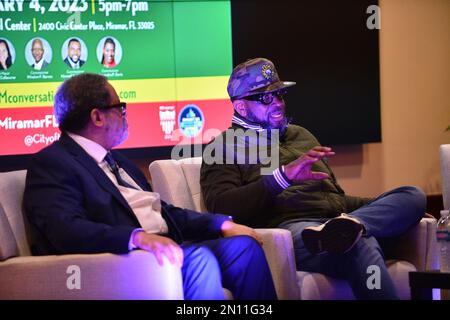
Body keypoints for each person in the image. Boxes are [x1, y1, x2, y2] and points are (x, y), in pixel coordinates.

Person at [23, 73, 277, 300]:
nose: (125, 114)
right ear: (97, 117)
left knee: (244, 248)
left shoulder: (118, 161)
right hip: (123, 261)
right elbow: (66, 230)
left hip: (168, 248)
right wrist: (137, 238)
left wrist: (220, 223)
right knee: (200, 259)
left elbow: (163, 211)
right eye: (119, 107)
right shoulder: (53, 163)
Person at [200, 58, 427, 300]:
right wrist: (282, 178)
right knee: (356, 241)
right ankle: (346, 230)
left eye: (280, 94)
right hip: (292, 232)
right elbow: (222, 207)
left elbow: (334, 200)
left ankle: (352, 225)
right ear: (242, 107)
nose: (277, 103)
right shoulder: (223, 147)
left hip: (333, 221)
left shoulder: (301, 135)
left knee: (412, 196)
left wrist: (382, 208)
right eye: (267, 98)